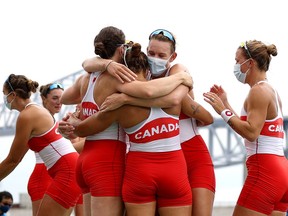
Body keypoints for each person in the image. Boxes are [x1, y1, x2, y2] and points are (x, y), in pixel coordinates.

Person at [59, 26, 192, 216]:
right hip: (107, 161)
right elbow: (148, 91)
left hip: (85, 160)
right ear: (121, 50)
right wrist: (182, 77)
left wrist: (73, 121)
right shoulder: (116, 78)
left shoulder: (85, 78)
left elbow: (64, 98)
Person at [82, 28, 215, 216]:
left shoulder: (177, 71)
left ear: (172, 56)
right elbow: (87, 64)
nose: (155, 58)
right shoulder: (140, 77)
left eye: (161, 55)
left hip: (191, 157)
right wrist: (108, 65)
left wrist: (126, 99)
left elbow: (176, 101)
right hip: (159, 162)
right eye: (151, 53)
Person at [203, 40, 288, 215]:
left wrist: (221, 111)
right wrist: (226, 104)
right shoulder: (270, 90)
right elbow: (249, 127)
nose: (235, 66)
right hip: (281, 172)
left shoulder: (257, 91)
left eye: (237, 61)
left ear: (250, 63)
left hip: (264, 173)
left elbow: (251, 133)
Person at [0, 74, 81, 216]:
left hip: (68, 172)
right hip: (72, 171)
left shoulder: (27, 115)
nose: (4, 99)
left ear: (13, 94)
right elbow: (18, 155)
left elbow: (13, 160)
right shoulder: (35, 111)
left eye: (4, 94)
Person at [26, 83, 84, 216]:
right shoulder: (37, 120)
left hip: (63, 174)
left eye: (61, 98)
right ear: (43, 98)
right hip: (43, 175)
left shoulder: (56, 122)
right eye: (55, 98)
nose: (59, 102)